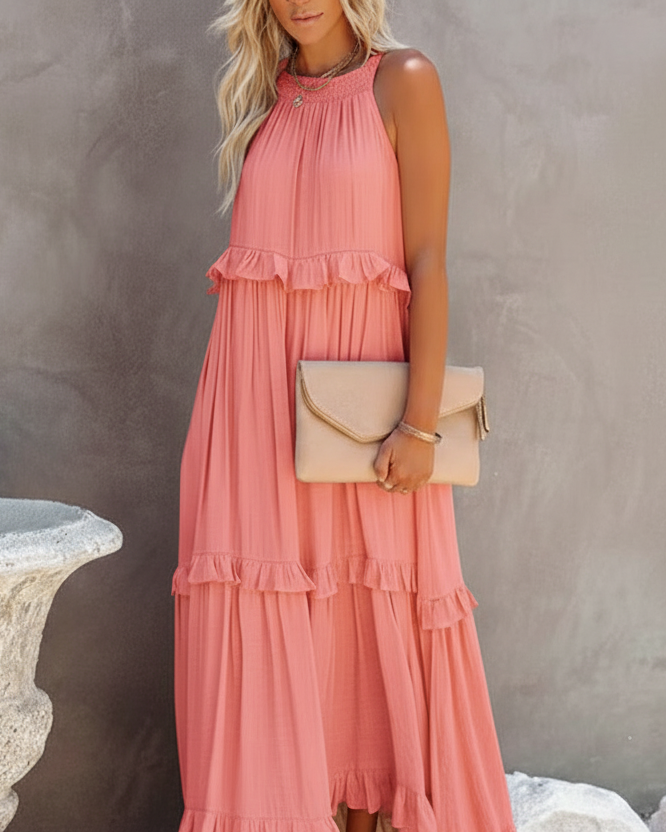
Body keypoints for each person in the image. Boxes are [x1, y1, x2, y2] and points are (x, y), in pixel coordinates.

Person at [171, 2, 517, 832]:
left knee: (367, 615)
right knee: (276, 618)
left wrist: (422, 426)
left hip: (367, 424)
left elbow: (428, 261)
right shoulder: (267, 99)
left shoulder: (402, 81)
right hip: (252, 414)